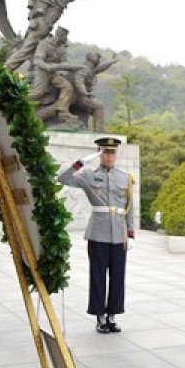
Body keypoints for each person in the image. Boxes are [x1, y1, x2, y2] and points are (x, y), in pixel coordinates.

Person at [57, 137, 134, 333]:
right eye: (105, 152)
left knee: (118, 276)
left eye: (112, 152)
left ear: (116, 154)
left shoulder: (125, 178)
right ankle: (100, 316)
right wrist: (81, 162)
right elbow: (62, 178)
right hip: (98, 234)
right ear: (100, 153)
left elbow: (129, 208)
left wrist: (131, 233)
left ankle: (112, 315)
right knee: (98, 276)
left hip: (119, 235)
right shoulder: (89, 175)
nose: (109, 156)